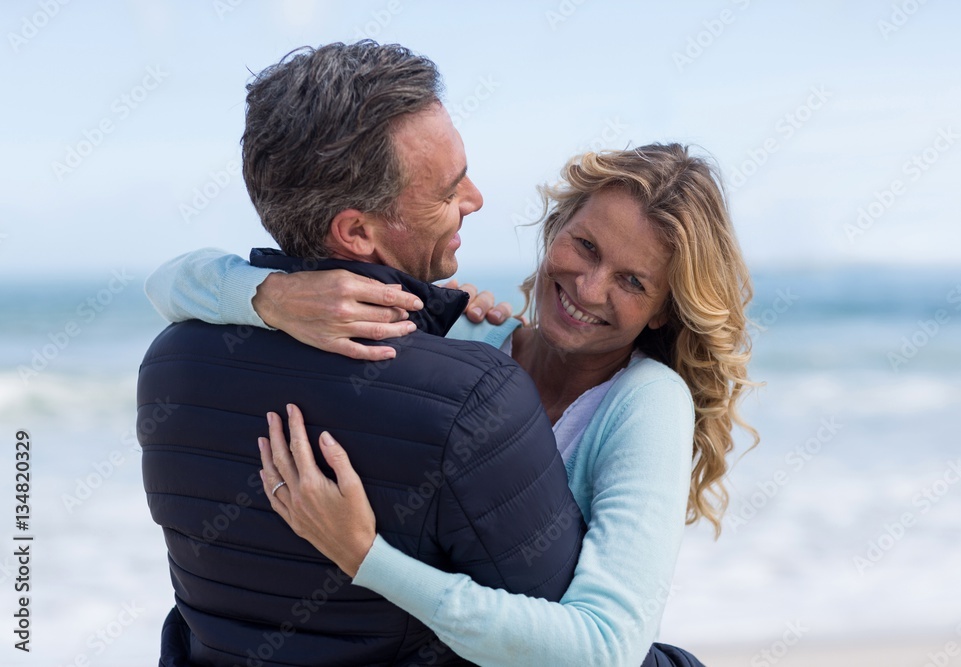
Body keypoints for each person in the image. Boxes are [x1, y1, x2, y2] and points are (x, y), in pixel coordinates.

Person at [148, 144, 757, 666]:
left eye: (633, 282)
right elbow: (172, 283)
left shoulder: (646, 402)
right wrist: (274, 295)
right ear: (555, 231)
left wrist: (367, 558)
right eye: (586, 247)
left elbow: (603, 650)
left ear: (663, 309)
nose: (590, 288)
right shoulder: (464, 336)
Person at [139, 41, 588, 667]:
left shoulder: (167, 365)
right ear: (356, 232)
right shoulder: (474, 396)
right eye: (448, 189)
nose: (476, 198)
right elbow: (565, 642)